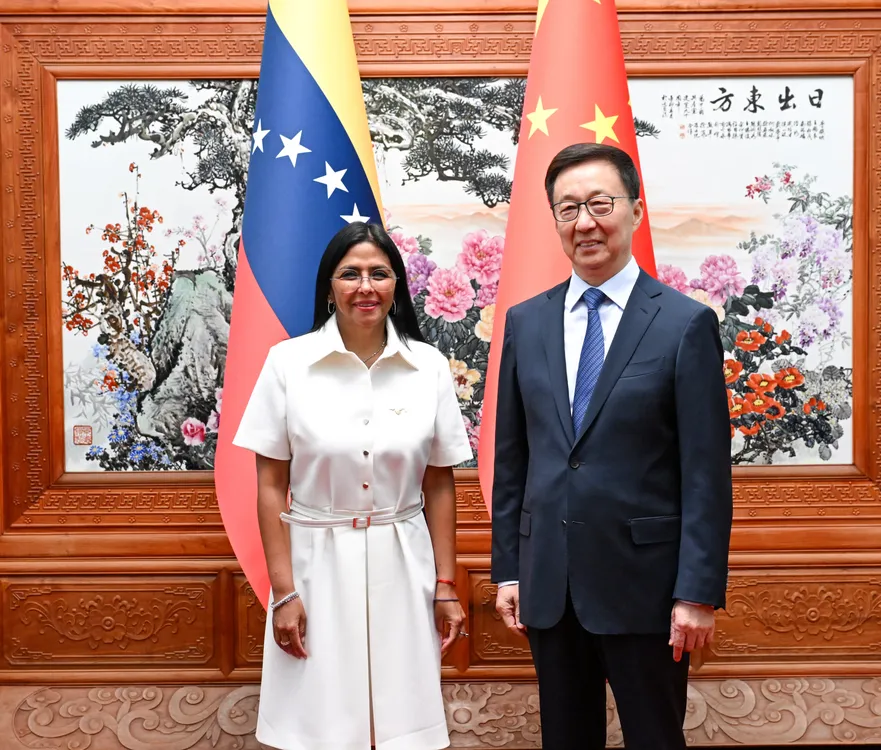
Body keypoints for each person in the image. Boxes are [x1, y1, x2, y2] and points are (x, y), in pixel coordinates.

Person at [490, 143, 733, 750]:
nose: (585, 223)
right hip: (551, 584)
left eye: (600, 204)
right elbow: (514, 456)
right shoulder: (527, 322)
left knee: (655, 737)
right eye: (568, 208)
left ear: (635, 211)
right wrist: (509, 570)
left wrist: (697, 592)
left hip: (647, 590)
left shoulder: (683, 323)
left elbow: (705, 471)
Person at [233, 221, 473, 750]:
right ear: (329, 287)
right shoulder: (288, 363)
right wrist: (284, 592)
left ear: (396, 285)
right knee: (318, 724)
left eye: (379, 273)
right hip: (316, 565)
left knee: (401, 722)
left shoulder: (427, 366)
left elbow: (439, 484)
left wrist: (446, 586)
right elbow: (271, 484)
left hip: (403, 560)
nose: (366, 286)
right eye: (351, 274)